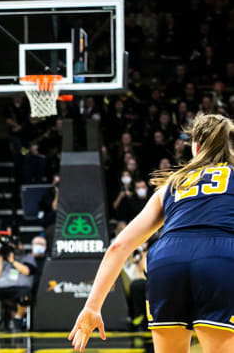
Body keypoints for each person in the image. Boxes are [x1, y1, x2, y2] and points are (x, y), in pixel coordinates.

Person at [70, 114, 234, 352]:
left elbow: (119, 246)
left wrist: (92, 306)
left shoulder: (172, 185)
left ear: (195, 147)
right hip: (219, 257)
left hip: (167, 261)